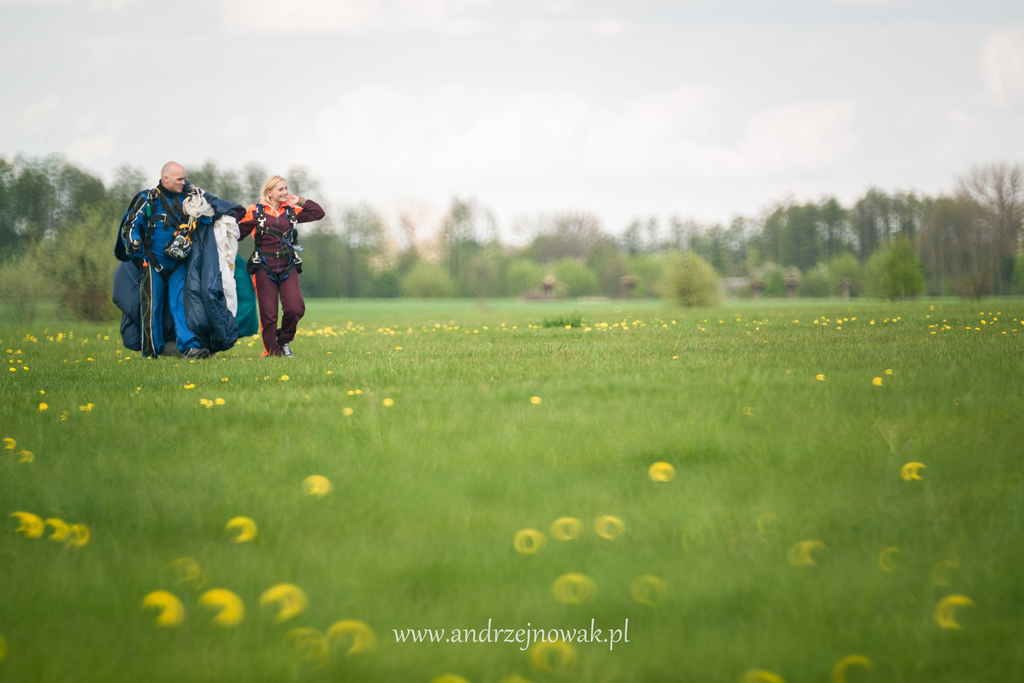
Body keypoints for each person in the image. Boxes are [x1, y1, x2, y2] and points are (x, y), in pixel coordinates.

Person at [114, 161, 244, 358]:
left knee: (182, 304)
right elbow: (130, 224)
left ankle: (189, 347)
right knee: (152, 307)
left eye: (184, 179)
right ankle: (151, 351)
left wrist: (202, 206)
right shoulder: (148, 198)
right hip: (152, 263)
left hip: (178, 264)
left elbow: (206, 218)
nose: (184, 182)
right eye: (179, 179)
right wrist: (135, 244)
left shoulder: (187, 198)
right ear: (165, 178)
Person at [238, 176, 325, 357]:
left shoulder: (291, 210)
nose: (285, 192)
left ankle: (284, 340)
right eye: (280, 189)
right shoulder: (256, 211)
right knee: (269, 315)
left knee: (295, 308)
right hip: (263, 268)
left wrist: (299, 200)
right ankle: (272, 352)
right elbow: (238, 233)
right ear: (269, 192)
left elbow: (318, 213)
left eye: (286, 188)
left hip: (288, 266)